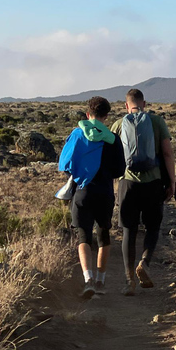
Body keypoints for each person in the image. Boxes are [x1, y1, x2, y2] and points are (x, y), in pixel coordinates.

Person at [58, 96, 125, 299]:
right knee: (103, 235)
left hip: (82, 192)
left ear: (88, 114)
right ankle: (100, 282)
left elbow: (64, 164)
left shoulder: (77, 135)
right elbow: (120, 169)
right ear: (106, 116)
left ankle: (88, 280)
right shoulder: (113, 139)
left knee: (83, 237)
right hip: (104, 192)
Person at [110, 89, 175, 296]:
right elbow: (167, 153)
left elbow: (113, 157)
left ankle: (129, 280)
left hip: (127, 184)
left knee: (128, 230)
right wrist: (172, 182)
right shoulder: (157, 122)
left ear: (126, 106)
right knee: (153, 227)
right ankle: (145, 263)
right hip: (153, 183)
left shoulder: (119, 124)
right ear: (144, 104)